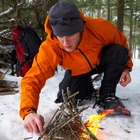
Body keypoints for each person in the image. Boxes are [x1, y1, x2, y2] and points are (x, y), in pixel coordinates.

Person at [20, 1, 133, 134]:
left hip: (102, 61)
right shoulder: (50, 47)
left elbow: (121, 42)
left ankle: (107, 94)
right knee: (67, 98)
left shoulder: (99, 27)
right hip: (78, 71)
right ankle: (89, 85)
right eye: (60, 36)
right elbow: (33, 78)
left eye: (70, 35)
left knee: (118, 50)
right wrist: (28, 111)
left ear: (80, 28)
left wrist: (126, 67)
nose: (65, 43)